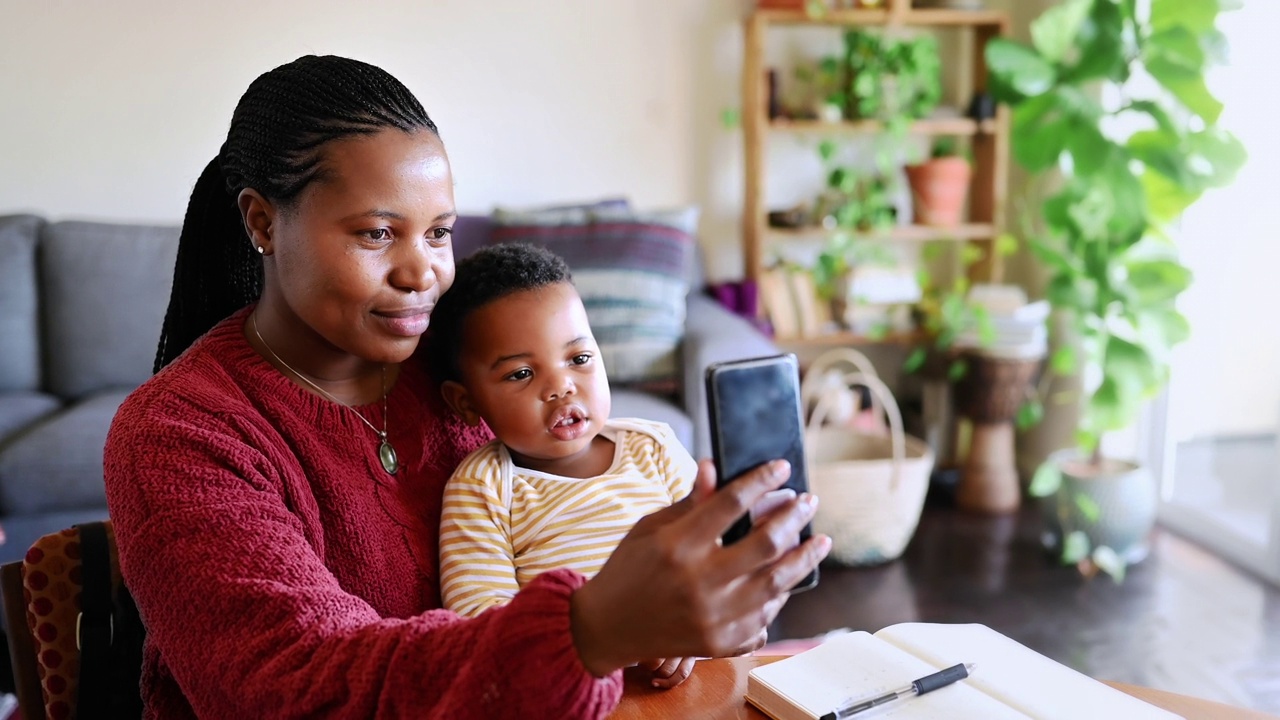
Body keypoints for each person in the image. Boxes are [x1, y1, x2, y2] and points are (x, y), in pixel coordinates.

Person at [103, 54, 830, 719]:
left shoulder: (456, 372)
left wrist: (695, 608)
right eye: (378, 234)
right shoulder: (180, 434)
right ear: (263, 221)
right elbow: (294, 685)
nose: (424, 274)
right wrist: (593, 627)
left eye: (440, 232)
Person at [431, 243, 699, 687]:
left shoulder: (654, 446)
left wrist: (694, 630)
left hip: (689, 682)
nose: (561, 387)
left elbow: (714, 558)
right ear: (465, 402)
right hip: (565, 695)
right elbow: (482, 627)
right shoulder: (483, 487)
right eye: (521, 373)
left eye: (579, 359)